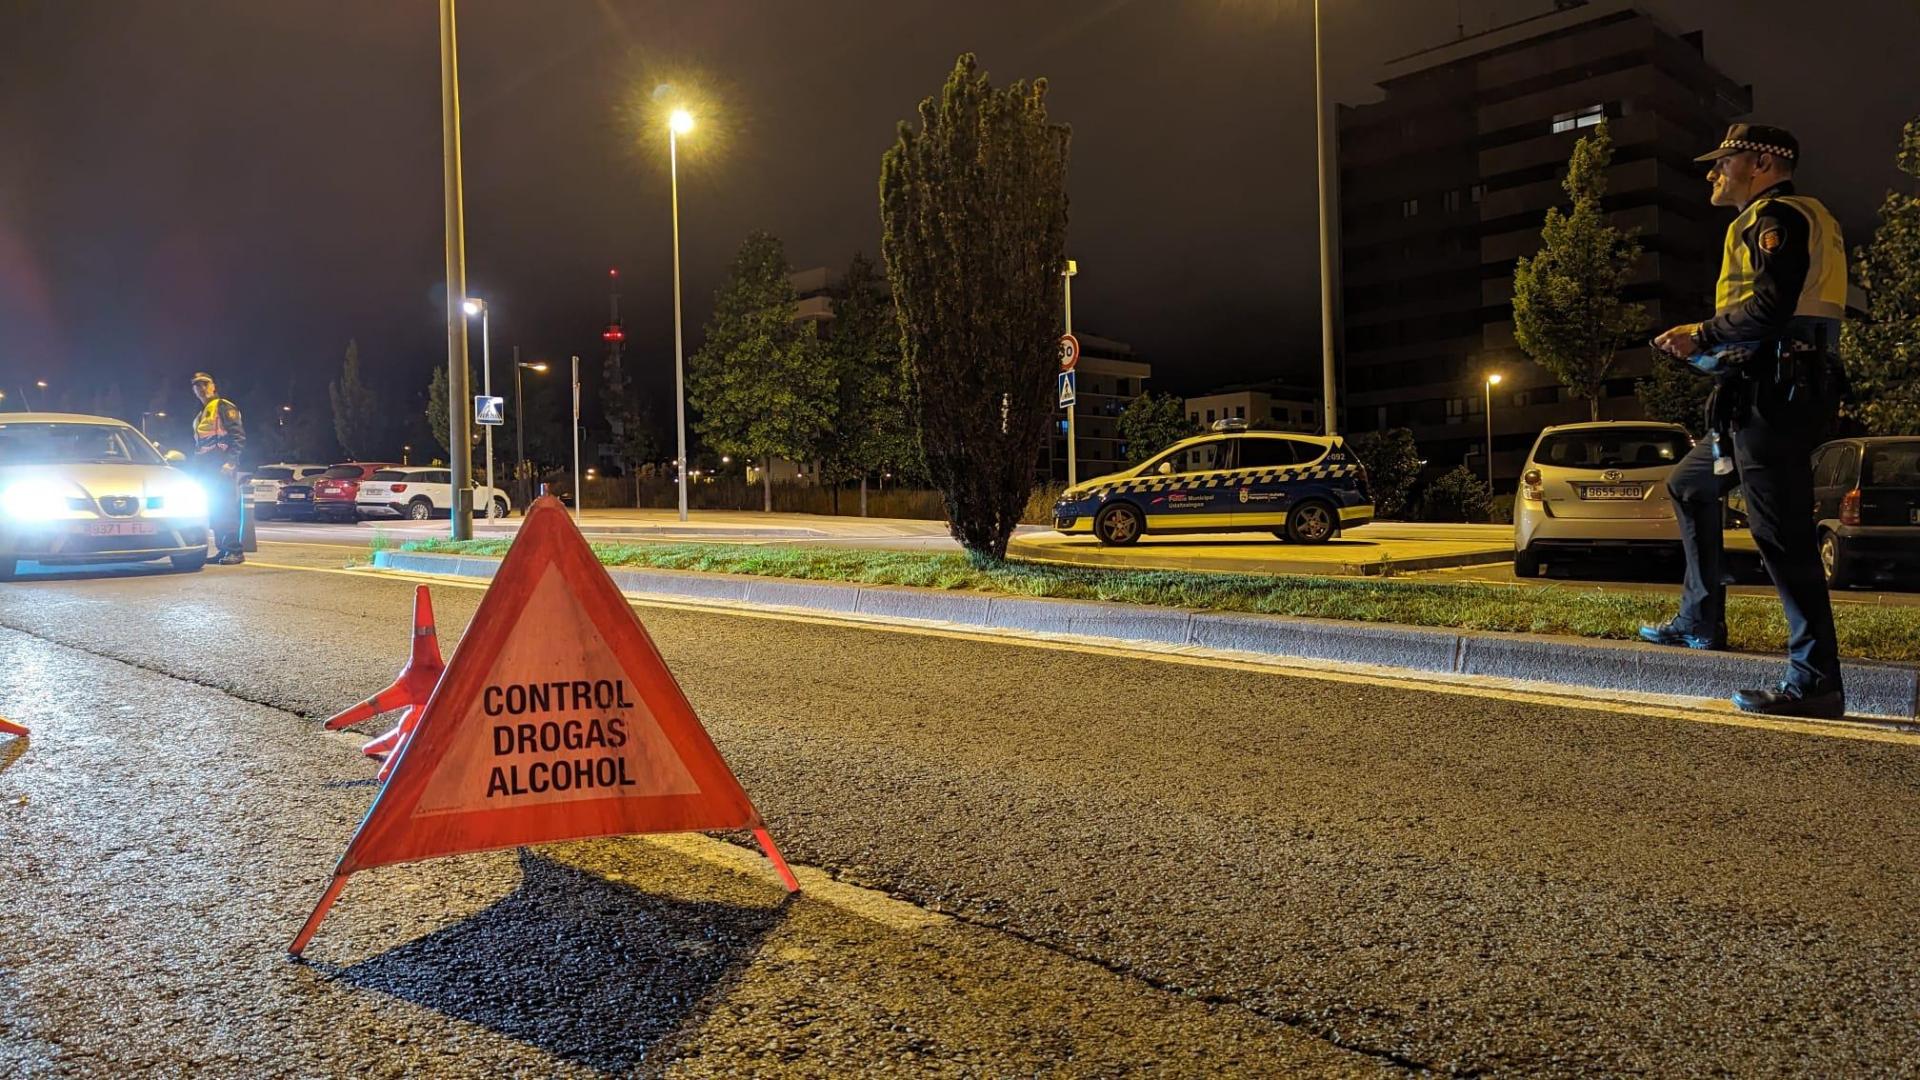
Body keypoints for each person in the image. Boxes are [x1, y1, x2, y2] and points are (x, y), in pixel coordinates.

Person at [1641, 124, 1849, 719]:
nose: (1712, 174)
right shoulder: (1796, 218)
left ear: (1760, 162)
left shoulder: (1776, 217)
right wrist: (1712, 353)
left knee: (1780, 535)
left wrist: (1700, 335)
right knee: (1689, 484)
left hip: (1776, 395)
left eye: (1722, 163)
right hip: (1762, 388)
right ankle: (1700, 618)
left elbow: (1772, 307)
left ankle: (1816, 682)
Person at [190, 371, 247, 565]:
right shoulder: (200, 415)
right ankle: (223, 549)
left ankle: (235, 551)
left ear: (213, 386)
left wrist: (230, 462)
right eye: (197, 386)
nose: (201, 389)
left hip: (222, 465)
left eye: (205, 384)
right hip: (206, 468)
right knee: (214, 510)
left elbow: (238, 437)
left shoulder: (223, 406)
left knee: (226, 509)